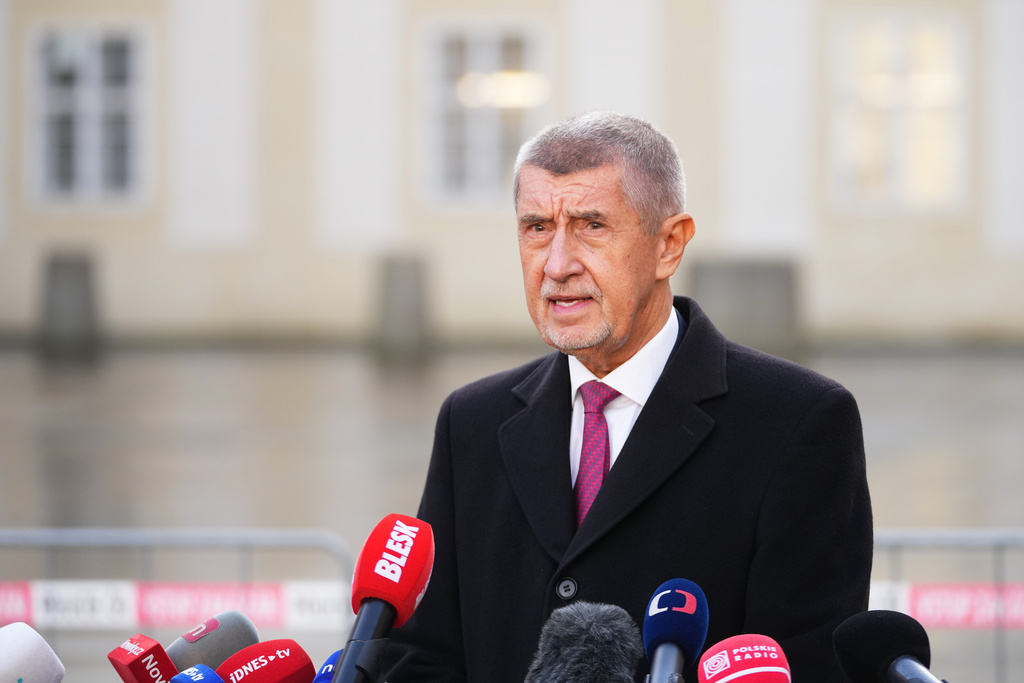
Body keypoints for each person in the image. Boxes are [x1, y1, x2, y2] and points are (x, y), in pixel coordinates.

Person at [384, 111, 873, 682]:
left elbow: (808, 664)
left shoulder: (799, 421)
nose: (557, 265)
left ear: (669, 245)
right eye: (537, 227)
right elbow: (422, 658)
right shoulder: (471, 421)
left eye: (591, 225)